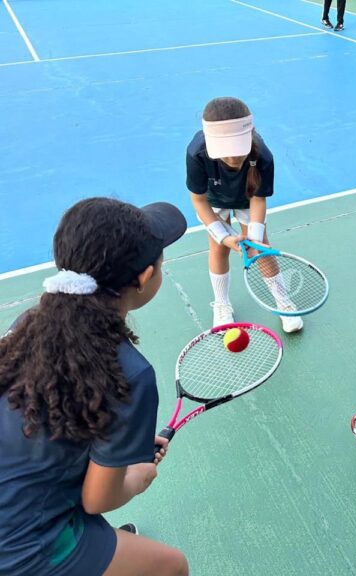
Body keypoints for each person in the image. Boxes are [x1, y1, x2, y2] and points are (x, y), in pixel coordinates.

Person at [0, 198, 189, 576]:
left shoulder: (28, 327)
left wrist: (118, 449)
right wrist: (137, 476)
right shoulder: (131, 375)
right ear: (145, 277)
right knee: (171, 567)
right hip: (24, 546)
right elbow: (96, 499)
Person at [186, 96, 302, 333]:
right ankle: (221, 304)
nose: (232, 160)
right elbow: (198, 200)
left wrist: (256, 237)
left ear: (251, 134)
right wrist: (224, 236)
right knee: (218, 247)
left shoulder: (263, 156)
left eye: (237, 152)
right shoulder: (196, 153)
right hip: (214, 199)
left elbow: (258, 198)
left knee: (261, 248)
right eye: (225, 154)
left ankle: (283, 301)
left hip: (248, 199)